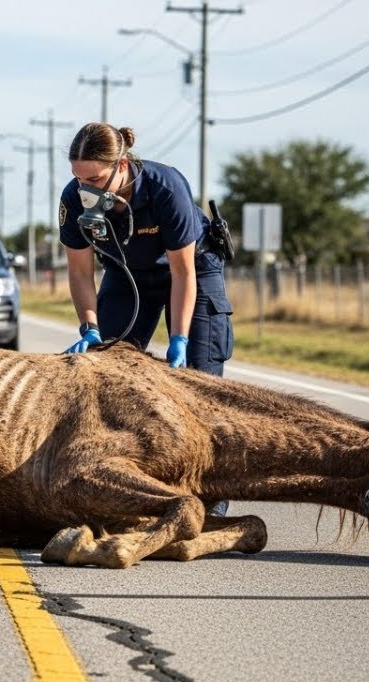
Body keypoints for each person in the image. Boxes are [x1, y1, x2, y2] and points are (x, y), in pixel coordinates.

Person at [58, 123, 233, 514]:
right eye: (78, 177)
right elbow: (80, 272)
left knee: (201, 384)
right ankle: (120, 489)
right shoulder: (75, 198)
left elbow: (184, 272)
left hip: (191, 274)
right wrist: (90, 326)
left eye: (95, 178)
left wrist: (180, 338)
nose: (86, 186)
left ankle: (211, 506)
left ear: (121, 165)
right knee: (103, 375)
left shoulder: (165, 188)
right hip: (125, 275)